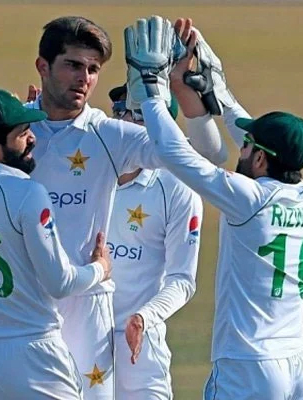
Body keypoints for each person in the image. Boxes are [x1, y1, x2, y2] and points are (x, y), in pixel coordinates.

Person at [0, 17, 227, 398]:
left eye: (93, 69)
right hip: (18, 315)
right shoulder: (8, 128)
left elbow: (203, 156)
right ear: (43, 66)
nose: (83, 78)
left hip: (85, 312)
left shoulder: (108, 135)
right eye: (72, 65)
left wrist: (182, 89)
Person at [125, 16, 303, 400]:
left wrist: (152, 86)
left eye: (248, 148)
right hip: (297, 361)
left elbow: (176, 153)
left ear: (261, 160)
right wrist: (218, 85)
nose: (240, 149)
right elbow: (244, 129)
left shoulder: (248, 199)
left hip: (248, 366)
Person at [0, 89, 112, 399]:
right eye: (22, 134)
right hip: (34, 355)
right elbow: (61, 282)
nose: (32, 140)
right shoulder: (27, 192)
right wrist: (100, 268)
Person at [107, 82, 203, 399]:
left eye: (135, 115)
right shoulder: (83, 171)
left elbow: (182, 280)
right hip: (77, 335)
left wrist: (144, 317)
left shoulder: (177, 188)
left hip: (139, 341)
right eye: (119, 111)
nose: (123, 122)